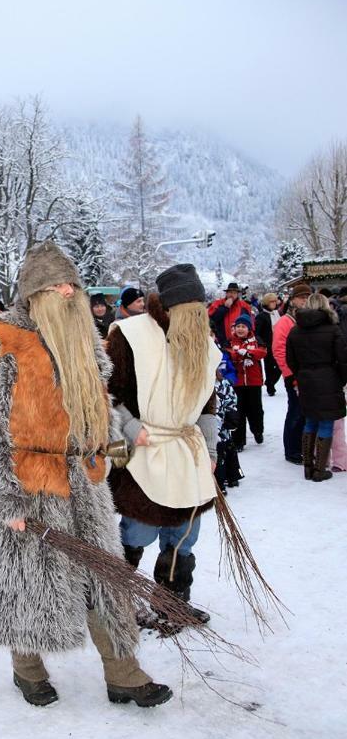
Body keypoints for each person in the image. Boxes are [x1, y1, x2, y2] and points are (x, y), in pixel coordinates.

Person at [0, 240, 172, 709]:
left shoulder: (85, 341)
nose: (66, 293)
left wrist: (116, 438)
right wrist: (3, 500)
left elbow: (100, 405)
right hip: (29, 483)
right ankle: (27, 669)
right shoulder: (1, 342)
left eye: (72, 285)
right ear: (32, 294)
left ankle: (125, 675)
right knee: (29, 582)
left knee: (105, 580)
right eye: (55, 286)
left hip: (86, 483)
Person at [107, 264, 220, 626]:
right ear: (170, 309)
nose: (198, 321)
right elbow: (105, 393)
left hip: (187, 451)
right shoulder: (130, 335)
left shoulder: (203, 344)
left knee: (184, 533)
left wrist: (212, 448)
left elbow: (206, 403)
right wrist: (129, 425)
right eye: (192, 314)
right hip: (144, 450)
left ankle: (172, 602)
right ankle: (118, 602)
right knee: (138, 531)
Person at [286, 293, 347, 482]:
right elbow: (343, 358)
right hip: (328, 378)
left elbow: (291, 359)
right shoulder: (333, 329)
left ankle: (308, 467)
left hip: (305, 380)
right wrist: (341, 379)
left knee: (310, 421)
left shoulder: (295, 330)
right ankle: (320, 470)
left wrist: (301, 374)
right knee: (326, 422)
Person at [272, 282, 312, 464]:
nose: (304, 300)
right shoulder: (285, 321)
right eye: (301, 297)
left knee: (305, 412)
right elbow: (279, 349)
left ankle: (302, 447)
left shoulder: (306, 318)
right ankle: (292, 449)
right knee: (295, 412)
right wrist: (289, 374)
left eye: (307, 297)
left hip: (307, 373)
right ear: (293, 300)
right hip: (293, 375)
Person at [228, 314, 266, 450]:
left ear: (249, 328)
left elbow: (262, 352)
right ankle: (239, 441)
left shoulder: (256, 339)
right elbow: (229, 354)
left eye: (243, 326)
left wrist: (247, 353)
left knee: (255, 410)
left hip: (253, 382)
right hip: (237, 382)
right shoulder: (231, 341)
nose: (240, 329)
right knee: (239, 412)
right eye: (238, 326)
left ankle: (257, 430)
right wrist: (240, 354)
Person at [208, 282, 252, 347]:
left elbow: (249, 324)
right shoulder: (217, 304)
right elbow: (212, 319)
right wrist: (225, 308)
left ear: (237, 294)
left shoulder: (244, 306)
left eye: (234, 293)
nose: (232, 295)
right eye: (230, 292)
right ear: (227, 293)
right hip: (221, 341)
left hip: (239, 342)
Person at [255, 292, 282, 395]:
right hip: (268, 345)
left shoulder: (277, 314)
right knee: (269, 367)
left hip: (278, 344)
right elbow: (257, 332)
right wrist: (262, 344)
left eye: (275, 301)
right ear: (267, 303)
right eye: (272, 301)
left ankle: (270, 382)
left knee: (279, 366)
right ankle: (270, 387)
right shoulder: (261, 316)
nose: (274, 303)